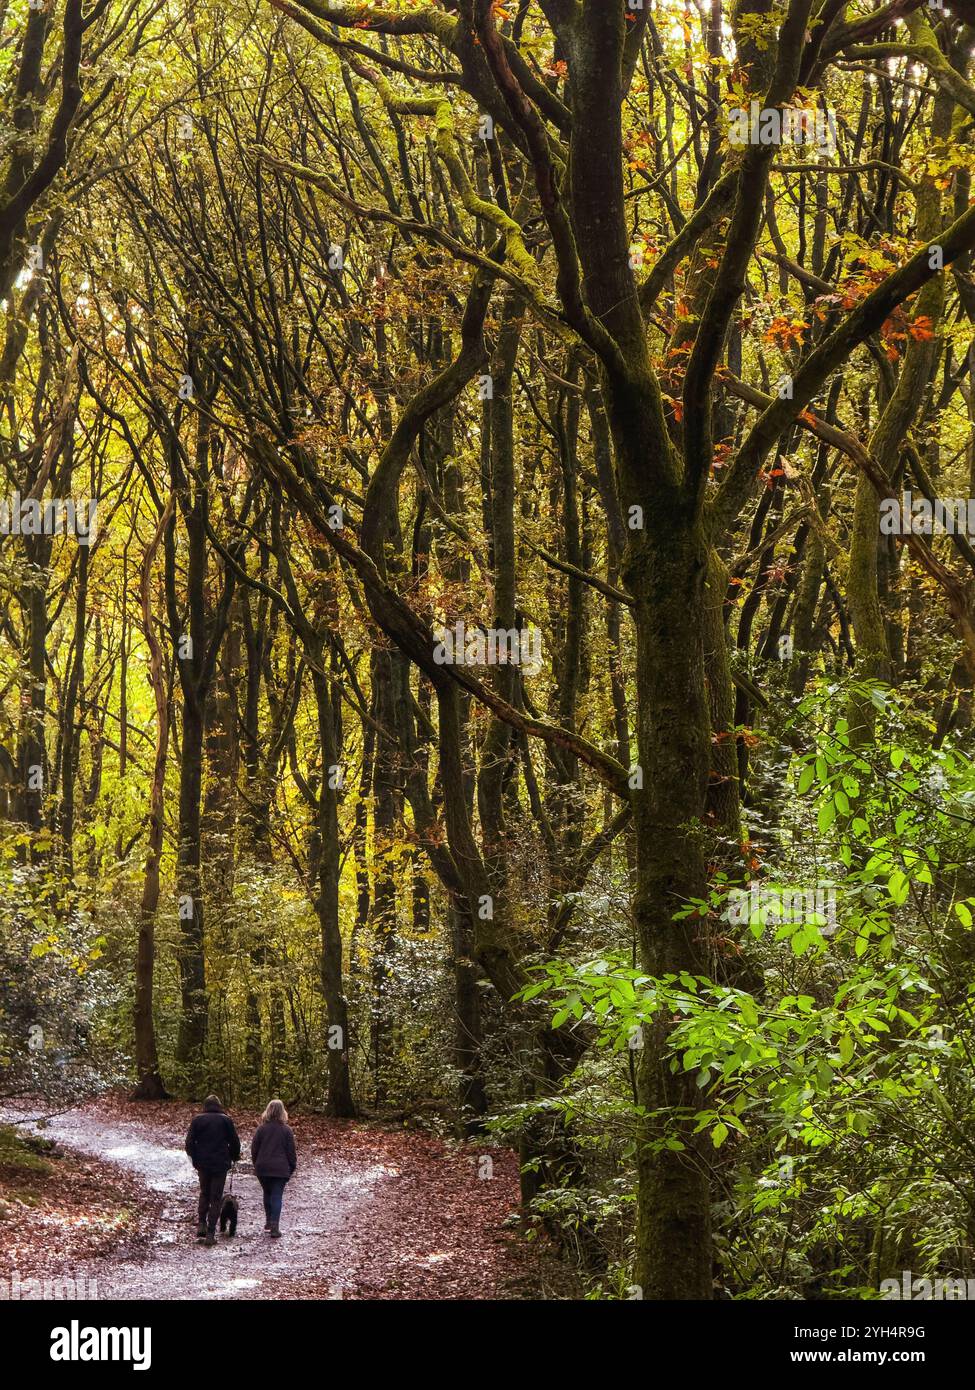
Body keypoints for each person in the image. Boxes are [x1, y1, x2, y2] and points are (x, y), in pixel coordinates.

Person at [184, 1094, 241, 1246]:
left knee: (204, 1193)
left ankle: (201, 1222)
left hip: (203, 1163)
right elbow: (235, 1142)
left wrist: (194, 1159)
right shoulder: (226, 1120)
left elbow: (189, 1143)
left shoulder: (197, 1120)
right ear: (219, 1105)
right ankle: (210, 1233)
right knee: (216, 1198)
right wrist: (234, 1157)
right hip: (220, 1164)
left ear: (205, 1106)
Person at [250, 1099, 297, 1238]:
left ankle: (268, 1222)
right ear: (283, 1112)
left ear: (268, 1111)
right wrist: (291, 1168)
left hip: (263, 1168)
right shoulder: (287, 1130)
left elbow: (254, 1150)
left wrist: (257, 1164)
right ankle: (275, 1225)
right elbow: (291, 1152)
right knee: (276, 1195)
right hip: (280, 1169)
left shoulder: (261, 1129)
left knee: (267, 1193)